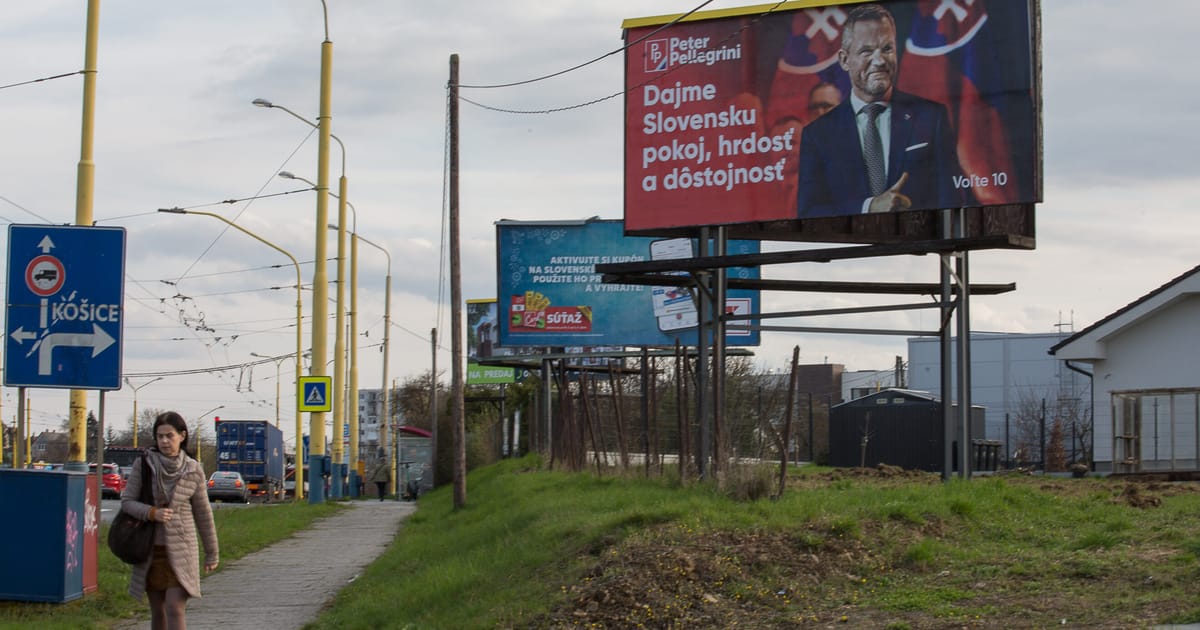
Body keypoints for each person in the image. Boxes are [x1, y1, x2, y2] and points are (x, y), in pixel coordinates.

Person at [796, 3, 968, 218]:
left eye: (887, 49)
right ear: (844, 59)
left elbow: (951, 202)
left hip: (919, 246)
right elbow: (809, 213)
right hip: (853, 248)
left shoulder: (931, 117)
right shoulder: (818, 135)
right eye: (866, 51)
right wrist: (870, 207)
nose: (879, 61)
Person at [121, 411, 219, 629]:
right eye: (160, 436)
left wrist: (212, 552)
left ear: (182, 436)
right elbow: (127, 502)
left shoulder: (193, 469)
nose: (164, 441)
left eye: (169, 436)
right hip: (149, 551)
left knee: (174, 607)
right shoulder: (144, 465)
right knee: (158, 612)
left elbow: (203, 513)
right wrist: (151, 513)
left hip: (182, 550)